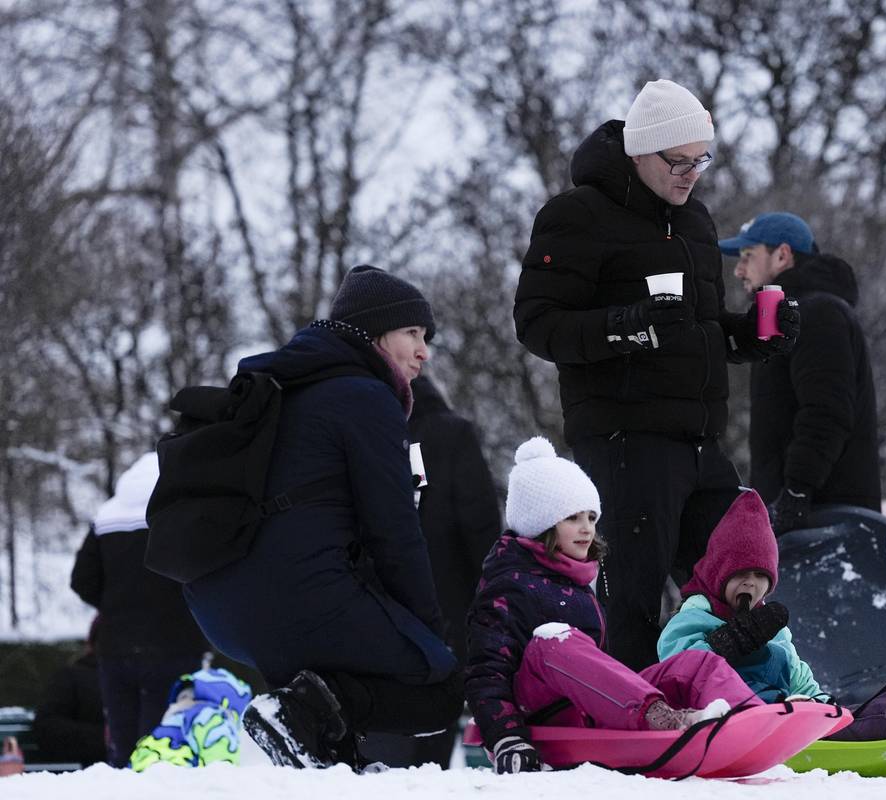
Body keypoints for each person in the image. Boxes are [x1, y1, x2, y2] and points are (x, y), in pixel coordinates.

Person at [513, 79, 799, 669]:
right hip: (625, 439)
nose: (691, 174)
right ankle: (632, 710)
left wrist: (751, 336)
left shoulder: (694, 221)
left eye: (701, 160)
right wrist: (629, 326)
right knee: (632, 602)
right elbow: (538, 325)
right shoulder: (577, 215)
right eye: (679, 161)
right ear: (641, 151)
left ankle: (736, 697)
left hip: (700, 441)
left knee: (738, 577)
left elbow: (699, 329)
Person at [183, 264, 463, 770]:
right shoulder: (366, 397)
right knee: (440, 685)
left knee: (335, 680)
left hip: (221, 608)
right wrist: (426, 632)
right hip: (297, 600)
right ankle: (297, 712)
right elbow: (394, 533)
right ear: (374, 333)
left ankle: (323, 750)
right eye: (413, 333)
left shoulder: (289, 386)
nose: (424, 351)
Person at [465, 437, 761, 774]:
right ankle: (662, 718)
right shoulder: (508, 586)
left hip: (593, 706)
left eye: (592, 517)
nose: (587, 529)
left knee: (694, 664)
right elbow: (486, 672)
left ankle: (752, 718)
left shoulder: (578, 585)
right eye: (572, 518)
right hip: (538, 715)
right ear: (541, 523)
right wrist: (506, 737)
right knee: (553, 641)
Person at [657, 490, 886, 741]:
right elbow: (675, 671)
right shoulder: (696, 616)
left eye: (760, 576)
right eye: (740, 575)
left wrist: (824, 705)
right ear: (719, 574)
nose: (750, 584)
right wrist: (730, 642)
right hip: (746, 723)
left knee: (846, 715)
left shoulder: (772, 628)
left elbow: (799, 677)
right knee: (855, 722)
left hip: (786, 716)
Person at [365, 374, 501, 769]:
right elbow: (480, 523)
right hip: (446, 600)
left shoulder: (367, 432)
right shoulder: (453, 434)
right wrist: (489, 594)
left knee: (383, 714)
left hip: (378, 602)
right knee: (435, 708)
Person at [718, 212, 881, 533]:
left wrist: (796, 492)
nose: (738, 270)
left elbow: (826, 413)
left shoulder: (819, 314)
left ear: (782, 255)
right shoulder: (783, 319)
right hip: (801, 518)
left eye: (748, 256)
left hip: (826, 521)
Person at [70, 453, 211, 766]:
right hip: (175, 644)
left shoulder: (106, 518)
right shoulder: (181, 513)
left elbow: (82, 580)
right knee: (166, 743)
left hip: (116, 648)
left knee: (123, 744)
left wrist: (115, 605)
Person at [30, 618, 106, 767]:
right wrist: (103, 737)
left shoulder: (147, 681)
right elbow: (47, 727)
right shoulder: (72, 677)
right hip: (88, 770)